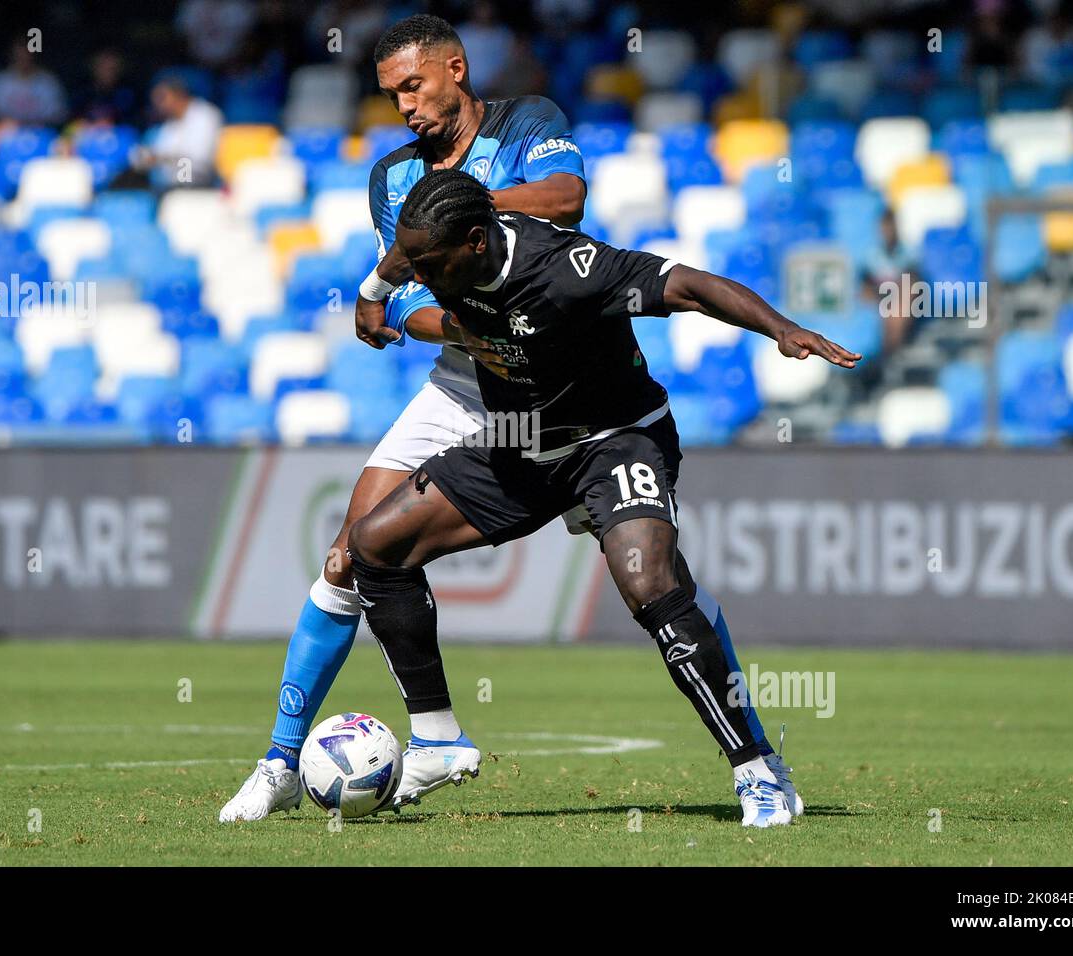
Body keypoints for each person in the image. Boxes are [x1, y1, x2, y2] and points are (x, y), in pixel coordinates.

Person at [218, 13, 786, 823]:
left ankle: (754, 754)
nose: (404, 106)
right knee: (355, 552)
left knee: (655, 577)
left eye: (413, 85)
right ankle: (286, 760)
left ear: (454, 68)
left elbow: (566, 201)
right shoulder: (390, 178)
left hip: (560, 375)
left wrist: (458, 211)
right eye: (390, 95)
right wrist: (456, 322)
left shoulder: (528, 123)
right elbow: (411, 297)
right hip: (466, 376)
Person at [345, 170, 860, 827]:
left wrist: (781, 329)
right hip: (521, 444)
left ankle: (760, 773)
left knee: (649, 586)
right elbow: (408, 263)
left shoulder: (566, 267)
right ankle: (439, 737)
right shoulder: (439, 246)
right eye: (408, 260)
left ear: (475, 243)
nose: (413, 270)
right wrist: (375, 291)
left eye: (424, 263)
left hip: (614, 440)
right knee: (374, 545)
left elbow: (689, 287)